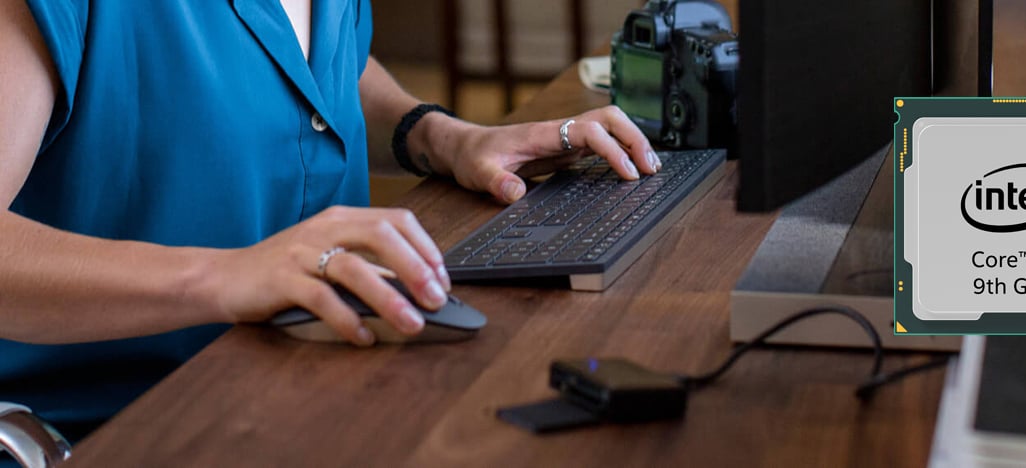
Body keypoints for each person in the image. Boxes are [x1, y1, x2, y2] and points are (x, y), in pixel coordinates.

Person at [0, 0, 656, 445]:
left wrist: (442, 137)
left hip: (320, 383)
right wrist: (226, 275)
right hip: (121, 428)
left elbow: (318, 62)